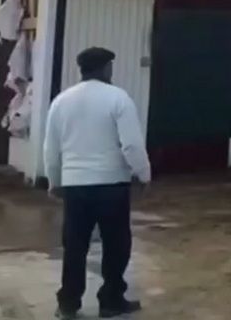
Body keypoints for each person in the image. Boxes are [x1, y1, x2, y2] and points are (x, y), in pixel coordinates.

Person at [43, 46, 151, 319]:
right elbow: (132, 145)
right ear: (106, 68)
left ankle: (68, 303)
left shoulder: (61, 101)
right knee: (116, 245)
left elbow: (51, 148)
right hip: (111, 184)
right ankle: (111, 300)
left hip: (76, 186)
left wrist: (54, 181)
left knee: (75, 246)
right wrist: (143, 173)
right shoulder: (118, 98)